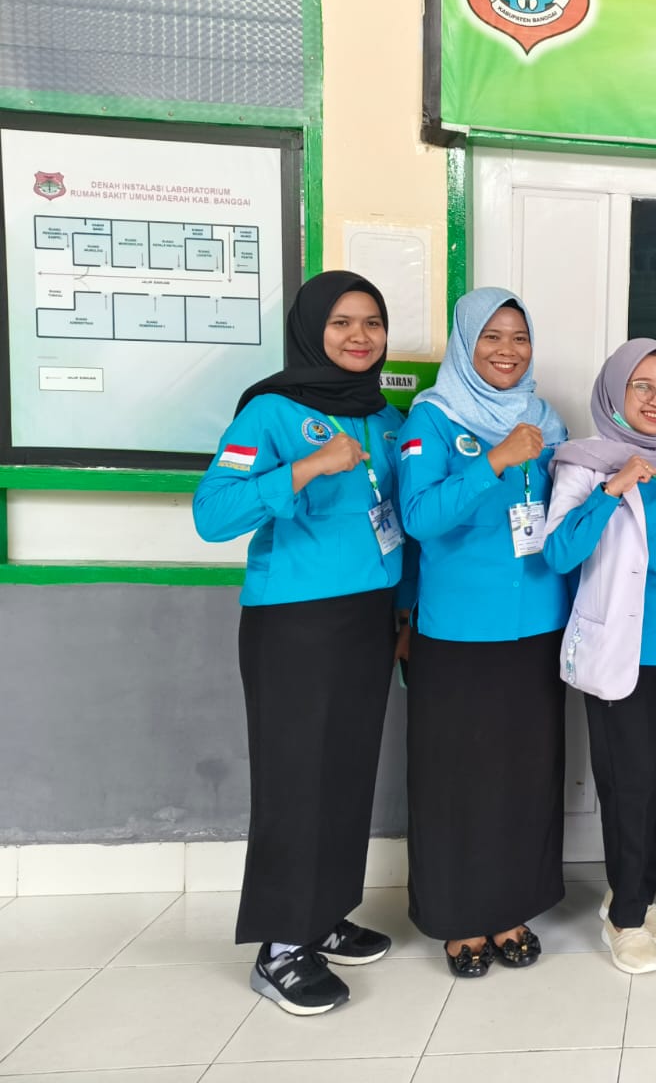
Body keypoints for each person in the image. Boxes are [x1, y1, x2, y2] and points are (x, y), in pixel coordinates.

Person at [193, 270, 411, 1016]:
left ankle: (323, 916)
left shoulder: (385, 417)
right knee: (296, 780)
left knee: (346, 773)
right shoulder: (270, 411)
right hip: (294, 623)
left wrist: (403, 615)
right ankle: (281, 946)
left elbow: (398, 524)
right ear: (312, 329)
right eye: (342, 322)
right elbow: (213, 514)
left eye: (373, 323)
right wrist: (309, 466)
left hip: (369, 618)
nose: (359, 337)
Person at [396, 288, 571, 978]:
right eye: (491, 337)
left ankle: (510, 908)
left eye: (519, 337)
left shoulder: (547, 420)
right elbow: (419, 516)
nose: (507, 350)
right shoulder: (432, 418)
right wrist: (493, 461)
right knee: (456, 778)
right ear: (465, 344)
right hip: (459, 632)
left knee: (525, 775)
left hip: (539, 624)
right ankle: (458, 917)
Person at [543, 338, 656, 976]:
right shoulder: (583, 462)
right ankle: (624, 919)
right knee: (628, 786)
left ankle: (636, 896)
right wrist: (612, 489)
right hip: (624, 649)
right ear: (615, 392)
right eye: (642, 386)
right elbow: (558, 552)